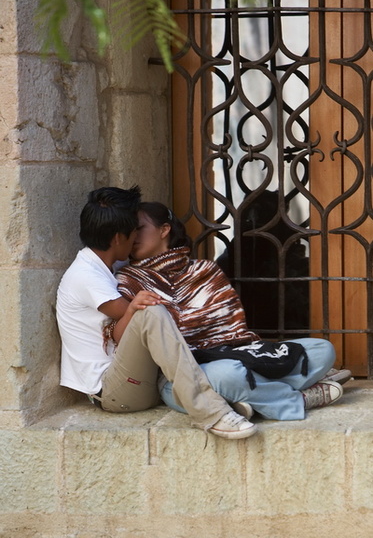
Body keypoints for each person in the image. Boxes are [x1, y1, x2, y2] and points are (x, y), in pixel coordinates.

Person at [113, 201, 349, 422]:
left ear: (164, 230)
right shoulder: (127, 280)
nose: (132, 236)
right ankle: (297, 399)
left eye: (139, 229)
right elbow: (123, 340)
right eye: (129, 231)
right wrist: (132, 311)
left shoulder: (205, 269)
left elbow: (234, 333)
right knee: (230, 375)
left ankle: (245, 399)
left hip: (232, 355)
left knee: (322, 350)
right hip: (181, 379)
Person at [56, 186, 258, 440]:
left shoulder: (105, 264)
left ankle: (228, 404)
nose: (135, 242)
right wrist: (134, 305)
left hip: (143, 378)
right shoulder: (86, 276)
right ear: (118, 238)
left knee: (218, 373)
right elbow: (131, 327)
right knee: (151, 312)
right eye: (133, 233)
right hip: (114, 390)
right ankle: (212, 414)